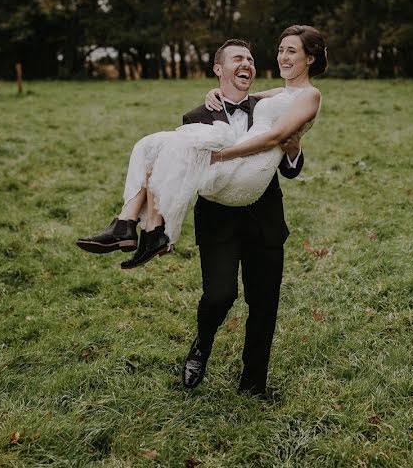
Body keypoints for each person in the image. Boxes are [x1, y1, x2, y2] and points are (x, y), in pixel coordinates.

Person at [76, 25, 327, 393]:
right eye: (238, 59)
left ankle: (253, 384)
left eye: (251, 59)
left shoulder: (276, 104)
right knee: (218, 296)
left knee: (264, 303)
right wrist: (221, 95)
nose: (254, 63)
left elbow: (287, 162)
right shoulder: (198, 114)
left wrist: (292, 148)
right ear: (218, 70)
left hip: (263, 216)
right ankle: (201, 343)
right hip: (218, 218)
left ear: (309, 57)